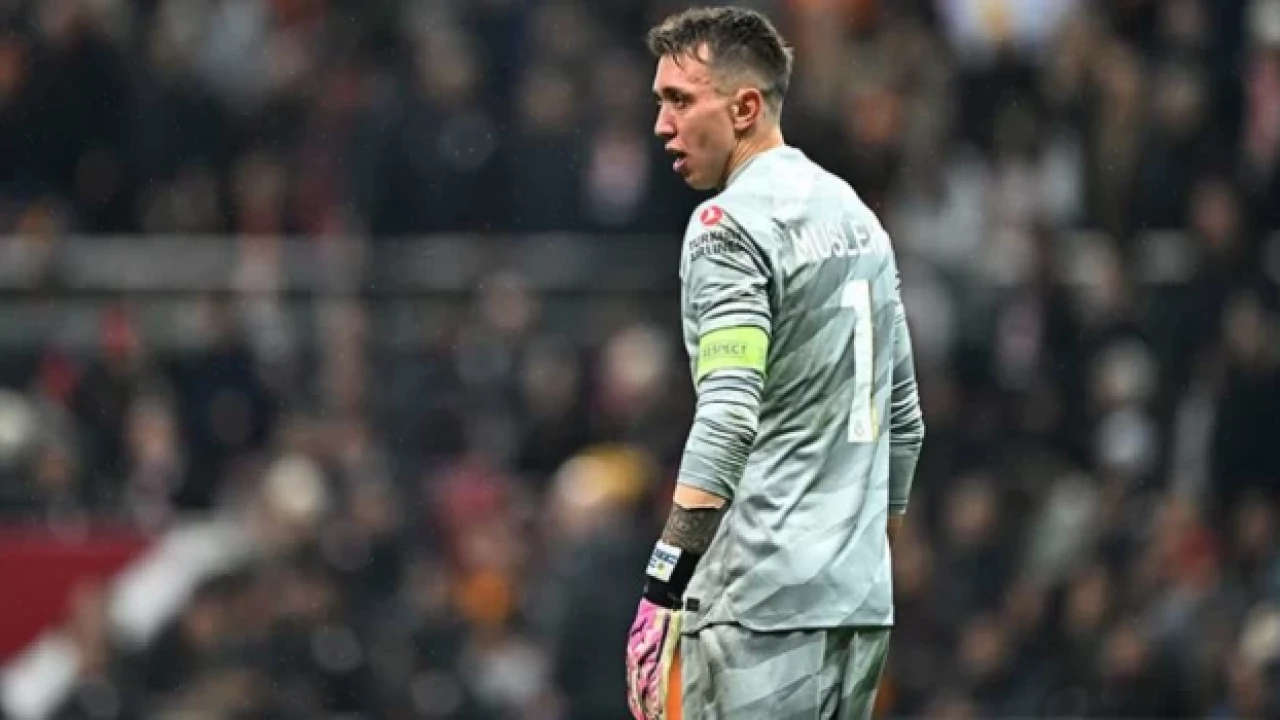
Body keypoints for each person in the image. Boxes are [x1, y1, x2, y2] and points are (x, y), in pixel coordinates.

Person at [623, 6, 926, 720]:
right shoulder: (856, 216)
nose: (662, 125)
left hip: (760, 605)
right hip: (858, 606)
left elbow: (727, 418)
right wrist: (859, 557)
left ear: (745, 108)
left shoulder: (728, 227)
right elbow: (905, 420)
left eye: (680, 101)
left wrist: (662, 585)